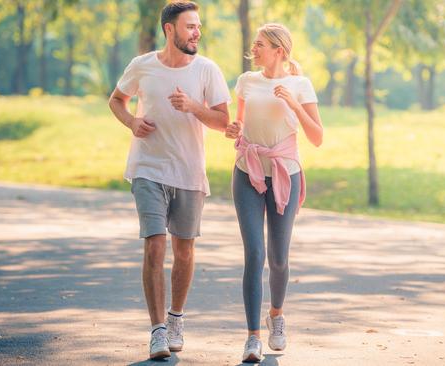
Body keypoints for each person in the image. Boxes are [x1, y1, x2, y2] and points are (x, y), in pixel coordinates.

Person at [108, 1, 230, 360]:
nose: (197, 33)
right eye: (190, 26)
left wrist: (193, 107)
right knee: (154, 244)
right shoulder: (142, 66)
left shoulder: (207, 70)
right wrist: (131, 122)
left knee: (185, 250)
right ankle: (158, 329)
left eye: (198, 26)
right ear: (170, 30)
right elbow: (116, 100)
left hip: (189, 172)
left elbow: (224, 121)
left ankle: (176, 318)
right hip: (148, 169)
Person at [224, 23, 323, 363]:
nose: (255, 48)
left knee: (278, 258)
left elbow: (317, 136)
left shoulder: (300, 85)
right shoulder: (246, 81)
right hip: (247, 171)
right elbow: (236, 126)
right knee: (255, 253)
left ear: (279, 50)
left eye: (261, 44)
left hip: (286, 173)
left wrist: (294, 104)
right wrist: (233, 129)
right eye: (255, 43)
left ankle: (276, 317)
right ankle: (252, 337)